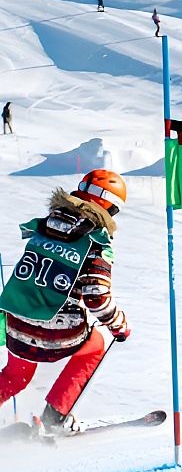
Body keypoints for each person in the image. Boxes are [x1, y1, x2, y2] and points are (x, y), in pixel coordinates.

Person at [0, 170, 129, 434]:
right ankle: (55, 417)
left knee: (17, 375)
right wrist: (119, 325)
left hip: (17, 320)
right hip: (58, 331)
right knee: (95, 346)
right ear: (108, 205)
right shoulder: (96, 240)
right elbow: (96, 297)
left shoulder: (46, 223)